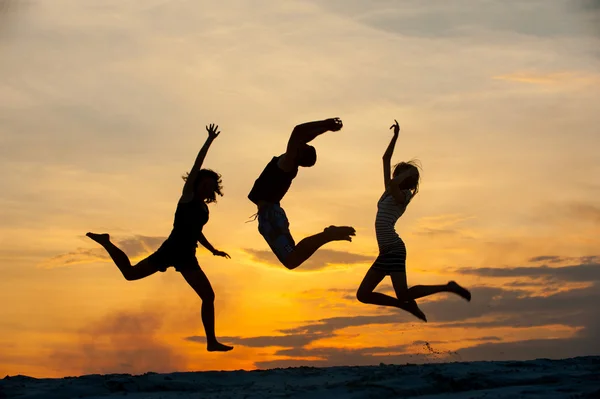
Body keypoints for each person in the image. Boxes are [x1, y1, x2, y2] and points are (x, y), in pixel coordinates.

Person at [86, 124, 233, 352]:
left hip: (187, 255)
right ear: (197, 184)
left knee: (208, 295)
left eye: (211, 186)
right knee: (130, 274)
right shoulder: (187, 197)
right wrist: (209, 141)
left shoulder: (204, 209)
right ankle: (106, 242)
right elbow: (196, 166)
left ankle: (211, 342)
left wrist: (213, 250)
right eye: (205, 184)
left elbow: (196, 232)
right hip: (172, 249)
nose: (208, 188)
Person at [356, 120, 471, 321]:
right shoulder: (389, 192)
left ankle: (445, 287)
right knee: (366, 295)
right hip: (387, 250)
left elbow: (393, 183)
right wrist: (395, 137)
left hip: (394, 248)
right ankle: (407, 303)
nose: (395, 174)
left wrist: (407, 174)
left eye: (399, 173)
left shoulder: (404, 196)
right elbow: (385, 159)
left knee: (396, 293)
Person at [248, 117, 356, 270]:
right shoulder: (289, 165)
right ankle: (328, 235)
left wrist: (326, 124)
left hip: (270, 216)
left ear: (299, 152)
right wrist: (324, 129)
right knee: (293, 259)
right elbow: (304, 136)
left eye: (304, 145)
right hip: (270, 215)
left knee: (292, 259)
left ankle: (328, 235)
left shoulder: (287, 163)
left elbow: (298, 131)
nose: (302, 142)